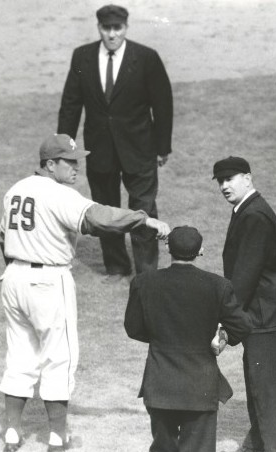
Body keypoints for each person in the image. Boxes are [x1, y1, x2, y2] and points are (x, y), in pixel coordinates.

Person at [0, 133, 170, 452]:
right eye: (69, 161)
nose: (77, 167)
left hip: (13, 278)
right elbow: (98, 218)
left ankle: (10, 432)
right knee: (59, 356)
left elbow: (2, 237)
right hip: (48, 280)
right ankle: (57, 436)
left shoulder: (14, 191)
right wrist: (144, 220)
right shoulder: (58, 194)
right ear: (50, 165)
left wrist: (13, 270)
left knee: (19, 354)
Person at [124, 226, 251, 452]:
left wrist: (161, 338)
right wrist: (222, 335)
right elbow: (243, 326)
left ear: (168, 249)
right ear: (200, 252)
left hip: (160, 383)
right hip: (199, 387)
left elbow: (133, 328)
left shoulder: (144, 282)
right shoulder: (217, 286)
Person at [57, 4, 173, 283]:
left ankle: (147, 274)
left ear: (125, 27)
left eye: (117, 28)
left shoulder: (146, 57)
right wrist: (64, 149)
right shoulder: (82, 57)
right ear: (99, 28)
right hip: (100, 150)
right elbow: (71, 106)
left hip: (140, 149)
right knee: (104, 208)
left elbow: (163, 103)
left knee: (143, 207)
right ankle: (117, 267)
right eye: (106, 29)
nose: (111, 34)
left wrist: (162, 146)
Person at [213, 156, 276, 452]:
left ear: (247, 179)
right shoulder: (247, 210)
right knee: (256, 378)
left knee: (268, 382)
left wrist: (226, 319)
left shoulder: (254, 215)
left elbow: (245, 275)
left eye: (230, 178)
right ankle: (260, 443)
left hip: (266, 314)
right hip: (261, 312)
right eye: (220, 181)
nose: (224, 185)